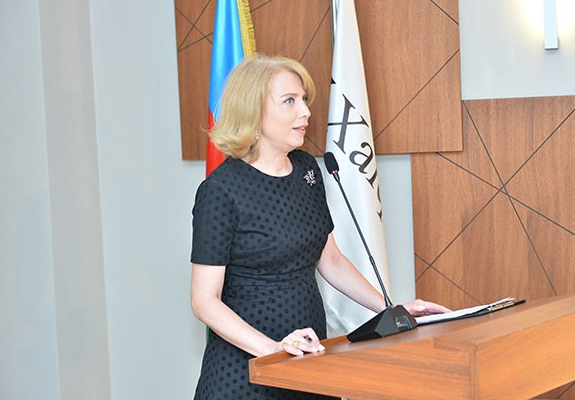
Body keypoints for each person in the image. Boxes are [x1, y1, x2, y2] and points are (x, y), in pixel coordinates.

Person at [190, 54, 449, 400]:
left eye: (304, 99)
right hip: (246, 371)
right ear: (254, 111)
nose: (306, 111)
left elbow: (330, 260)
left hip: (308, 359)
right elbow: (204, 301)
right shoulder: (221, 191)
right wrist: (273, 351)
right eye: (289, 101)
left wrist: (391, 309)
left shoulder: (307, 171)